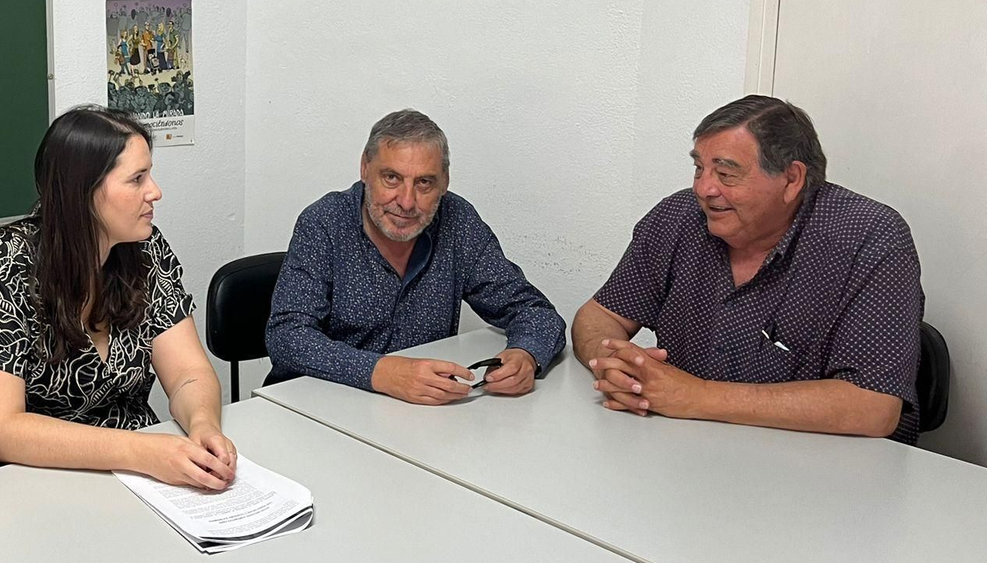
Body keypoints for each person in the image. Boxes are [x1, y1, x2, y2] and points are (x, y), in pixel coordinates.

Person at [573, 95, 924, 440]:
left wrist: (696, 396)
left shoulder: (870, 239)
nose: (703, 188)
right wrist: (617, 367)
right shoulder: (677, 218)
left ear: (791, 180)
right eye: (699, 168)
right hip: (687, 450)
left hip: (827, 472)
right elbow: (598, 317)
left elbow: (874, 407)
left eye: (726, 173)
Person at [0, 106, 237, 488]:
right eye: (136, 179)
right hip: (2, 481)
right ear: (82, 192)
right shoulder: (3, 263)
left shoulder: (145, 250)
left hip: (124, 474)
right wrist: (143, 452)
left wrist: (203, 424)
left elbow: (188, 373)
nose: (154, 191)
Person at [266, 110, 565, 404]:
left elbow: (534, 310)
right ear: (365, 169)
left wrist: (526, 354)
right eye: (392, 178)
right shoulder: (325, 223)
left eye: (424, 183)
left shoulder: (458, 223)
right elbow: (287, 337)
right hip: (312, 405)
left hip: (415, 417)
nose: (407, 202)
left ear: (445, 183)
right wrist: (381, 372)